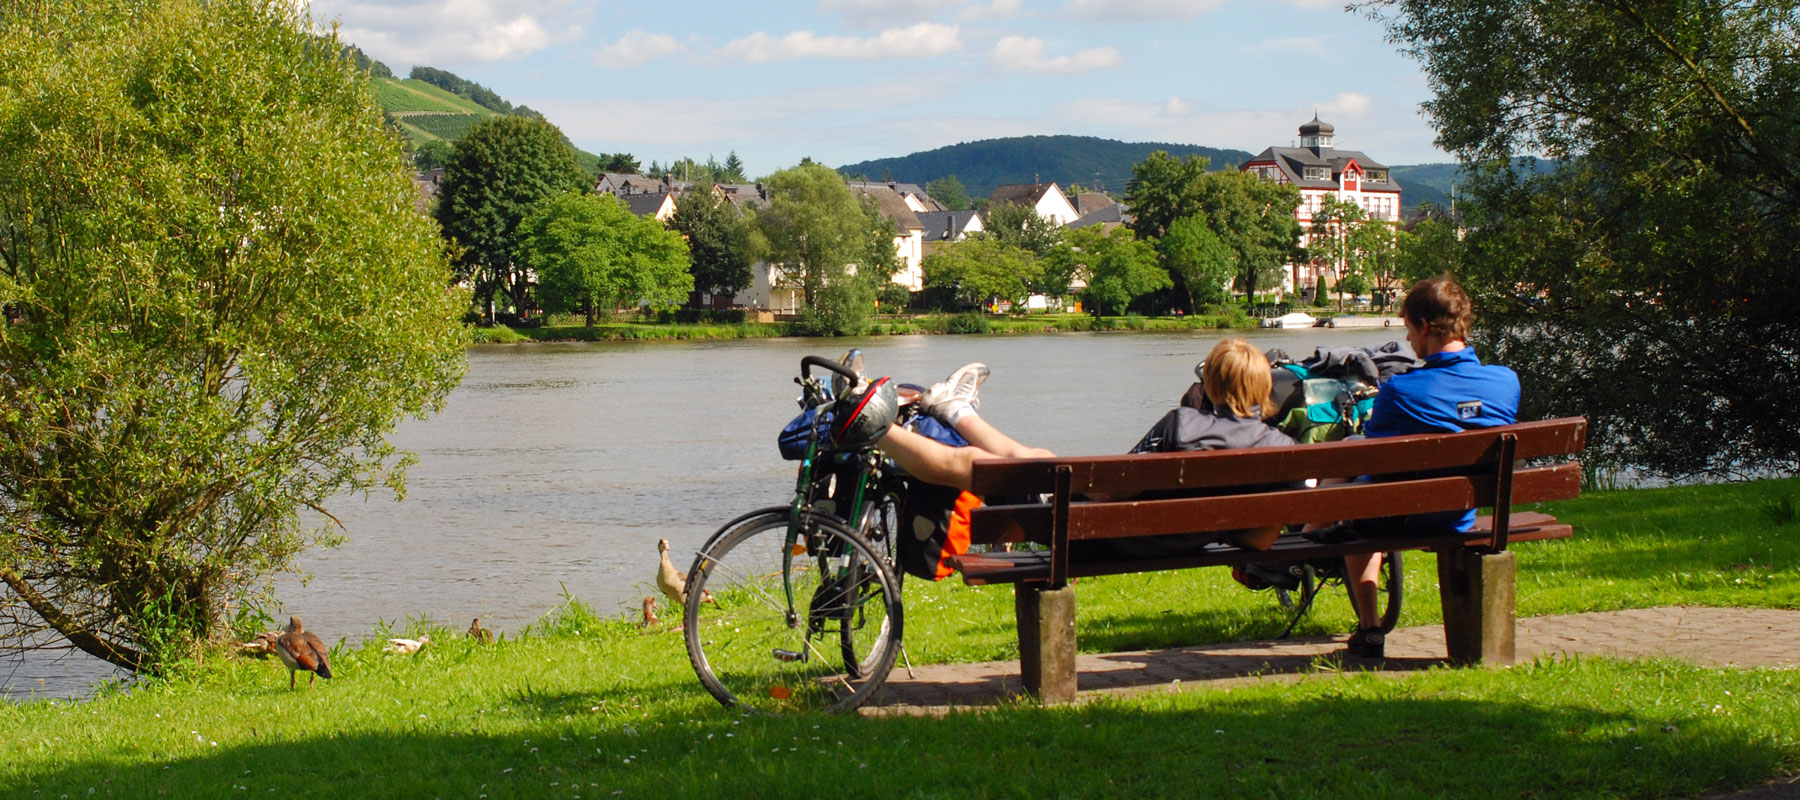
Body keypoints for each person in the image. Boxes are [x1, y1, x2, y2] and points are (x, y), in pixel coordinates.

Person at [870, 339, 1296, 578]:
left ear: (1212, 384)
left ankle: (883, 425)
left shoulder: (1182, 425)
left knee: (984, 468)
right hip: (1169, 542)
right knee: (1037, 461)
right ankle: (955, 410)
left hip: (1096, 538)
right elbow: (1259, 540)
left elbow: (1105, 489)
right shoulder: (1281, 450)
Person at [1328, 274, 1521, 658]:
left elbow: (1372, 450)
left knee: (1356, 508)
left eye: (1409, 332)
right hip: (1460, 515)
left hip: (1398, 517)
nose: (1409, 342)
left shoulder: (1400, 390)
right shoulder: (1506, 382)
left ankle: (1370, 630)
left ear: (1424, 326)